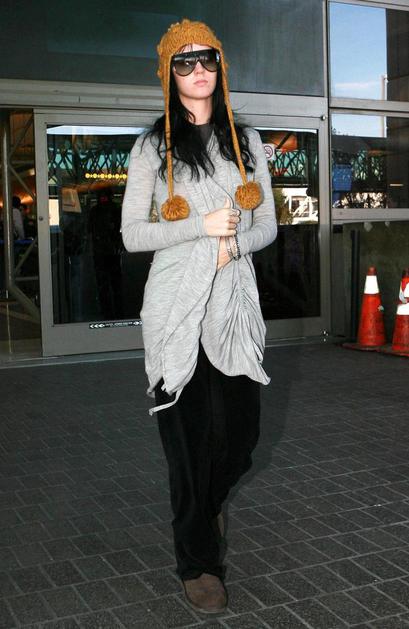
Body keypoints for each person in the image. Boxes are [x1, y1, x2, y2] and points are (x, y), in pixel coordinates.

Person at [121, 19, 277, 614]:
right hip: (175, 306)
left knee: (240, 438)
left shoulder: (246, 141)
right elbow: (133, 234)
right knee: (188, 445)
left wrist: (231, 244)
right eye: (183, 62)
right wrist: (200, 226)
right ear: (168, 73)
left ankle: (206, 509)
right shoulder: (151, 147)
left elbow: (267, 225)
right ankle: (198, 563)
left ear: (220, 66)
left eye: (205, 58)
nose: (197, 70)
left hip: (232, 302)